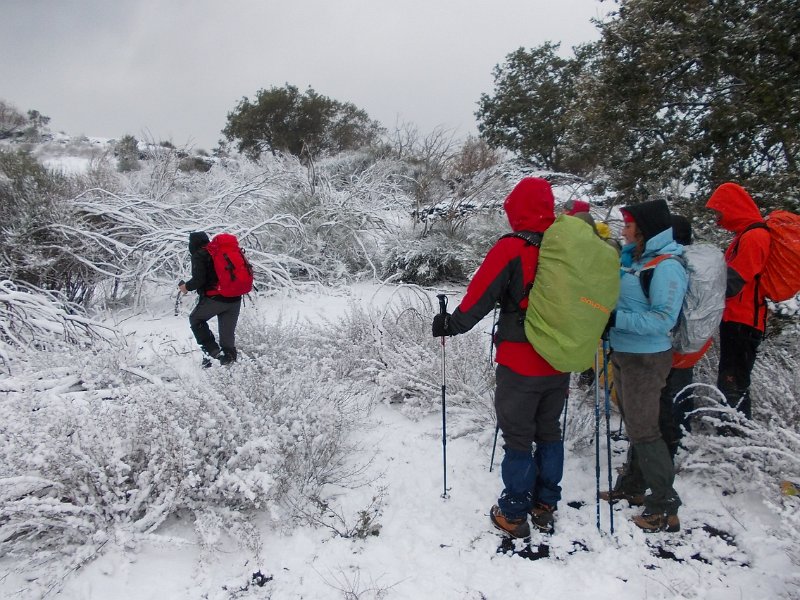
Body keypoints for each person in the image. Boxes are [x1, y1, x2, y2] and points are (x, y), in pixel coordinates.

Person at [432, 177, 569, 539]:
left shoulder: (512, 247)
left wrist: (451, 324)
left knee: (519, 436)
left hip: (521, 360)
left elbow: (481, 295)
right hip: (561, 358)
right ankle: (545, 503)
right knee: (549, 429)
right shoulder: (566, 247)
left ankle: (514, 513)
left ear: (517, 209)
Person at [602, 199, 687, 533]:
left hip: (646, 358)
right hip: (624, 353)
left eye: (629, 224)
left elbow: (663, 319)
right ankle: (633, 486)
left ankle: (665, 507)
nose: (623, 229)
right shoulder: (635, 260)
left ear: (644, 229)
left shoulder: (666, 266)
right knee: (636, 426)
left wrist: (615, 319)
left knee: (645, 430)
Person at [705, 183, 771, 419]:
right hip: (738, 319)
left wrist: (704, 291)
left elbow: (735, 281)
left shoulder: (754, 236)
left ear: (732, 207)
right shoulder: (745, 235)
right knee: (731, 382)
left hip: (743, 321)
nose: (717, 219)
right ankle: (732, 430)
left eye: (719, 212)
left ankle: (736, 434)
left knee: (733, 384)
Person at [658, 214, 695, 460]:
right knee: (681, 389)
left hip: (671, 338)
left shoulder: (672, 262)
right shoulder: (691, 260)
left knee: (667, 393)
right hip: (691, 338)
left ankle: (670, 446)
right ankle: (681, 437)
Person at [179, 231, 242, 367]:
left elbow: (199, 280)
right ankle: (230, 366)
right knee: (227, 337)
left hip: (216, 299)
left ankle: (212, 355)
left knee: (196, 319)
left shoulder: (199, 255)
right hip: (235, 298)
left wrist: (186, 287)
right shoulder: (218, 252)